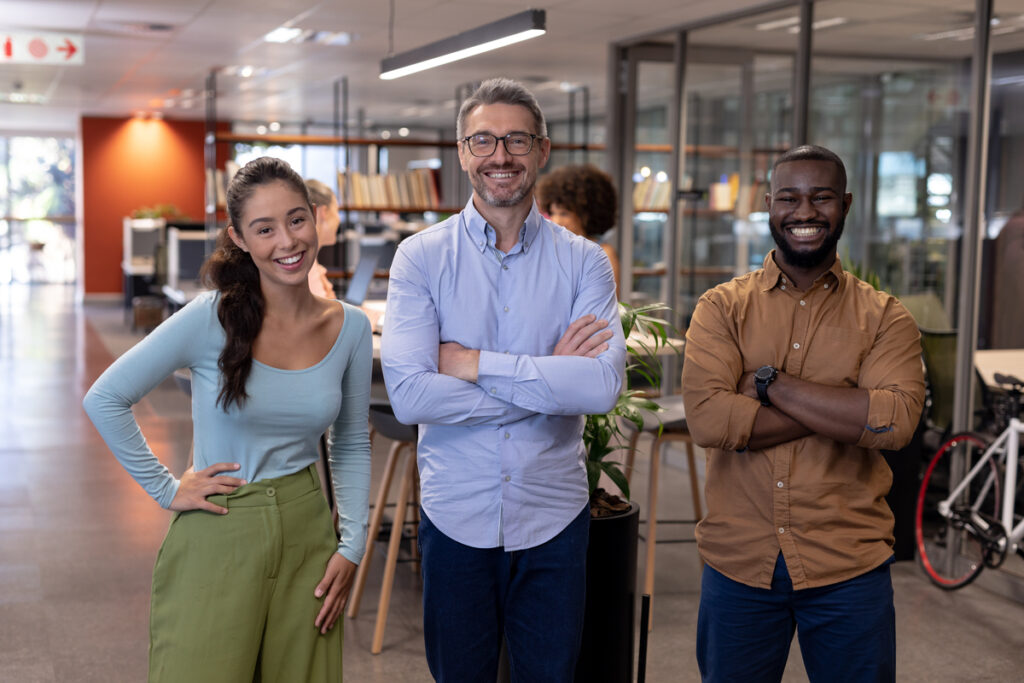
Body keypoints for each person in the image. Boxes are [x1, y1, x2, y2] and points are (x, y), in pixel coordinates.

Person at [83, 156, 371, 682]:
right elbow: (105, 398)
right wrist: (167, 489)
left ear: (316, 218)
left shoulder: (348, 327)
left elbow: (350, 441)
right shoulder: (210, 316)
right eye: (265, 229)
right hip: (220, 524)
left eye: (297, 219)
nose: (287, 241)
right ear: (239, 238)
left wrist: (352, 545)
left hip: (307, 529)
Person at [380, 78, 626, 682]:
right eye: (483, 140)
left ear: (542, 150)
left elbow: (598, 390)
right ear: (463, 153)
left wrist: (472, 363)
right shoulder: (421, 257)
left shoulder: (584, 261)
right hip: (456, 514)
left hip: (554, 519)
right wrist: (547, 382)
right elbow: (410, 397)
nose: (500, 156)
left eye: (516, 139)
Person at [680, 144, 925, 683]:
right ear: (769, 204)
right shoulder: (721, 308)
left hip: (848, 566)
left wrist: (769, 385)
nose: (805, 212)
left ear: (846, 205)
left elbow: (897, 421)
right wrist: (844, 403)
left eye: (822, 198)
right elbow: (709, 422)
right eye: (789, 197)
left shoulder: (886, 318)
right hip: (739, 564)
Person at [537, 163, 621, 292]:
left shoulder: (604, 253)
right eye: (553, 213)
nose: (556, 221)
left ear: (585, 214)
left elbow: (611, 305)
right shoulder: (549, 250)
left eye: (564, 214)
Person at [304, 177, 342, 299]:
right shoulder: (307, 266)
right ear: (323, 212)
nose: (339, 219)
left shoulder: (310, 262)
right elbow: (323, 317)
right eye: (337, 211)